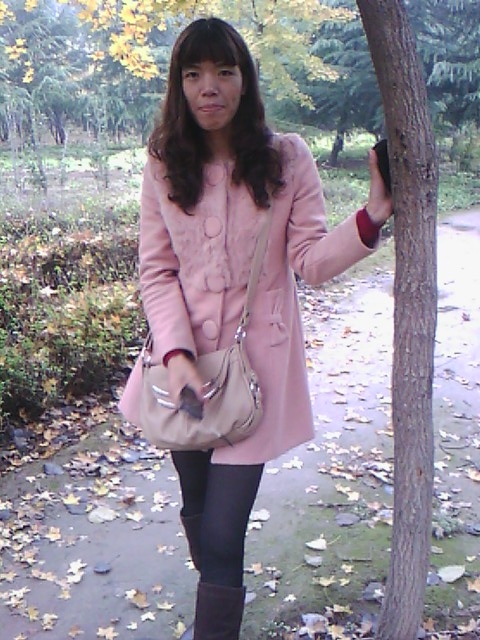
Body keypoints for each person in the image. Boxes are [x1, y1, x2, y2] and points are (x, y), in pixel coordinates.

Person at [119, 16, 392, 640]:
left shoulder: (285, 159)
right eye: (193, 74)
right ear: (179, 85)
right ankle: (216, 592)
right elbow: (157, 272)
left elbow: (310, 261)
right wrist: (177, 359)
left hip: (255, 374)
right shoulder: (164, 163)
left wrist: (373, 215)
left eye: (224, 71)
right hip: (183, 371)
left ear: (245, 80)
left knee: (223, 535)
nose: (208, 87)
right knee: (198, 512)